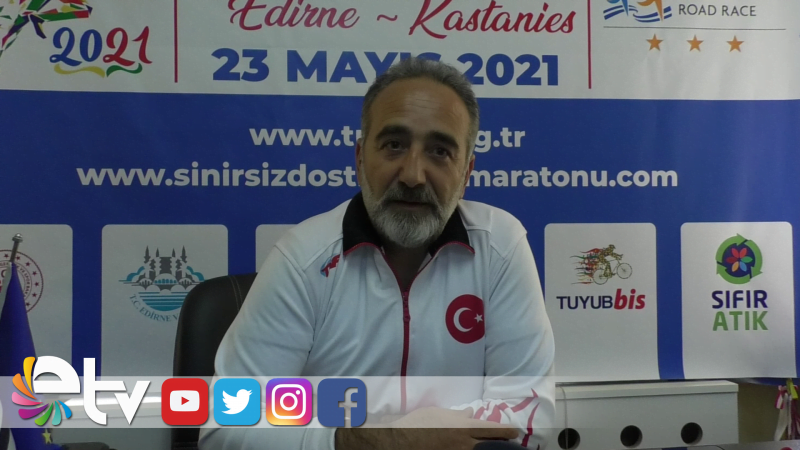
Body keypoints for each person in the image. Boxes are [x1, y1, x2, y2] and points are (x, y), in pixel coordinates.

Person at [198, 57, 555, 450]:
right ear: (360, 158)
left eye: (439, 151)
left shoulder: (499, 246)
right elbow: (225, 428)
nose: (413, 175)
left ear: (466, 172)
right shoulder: (303, 259)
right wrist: (382, 441)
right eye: (394, 145)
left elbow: (528, 420)